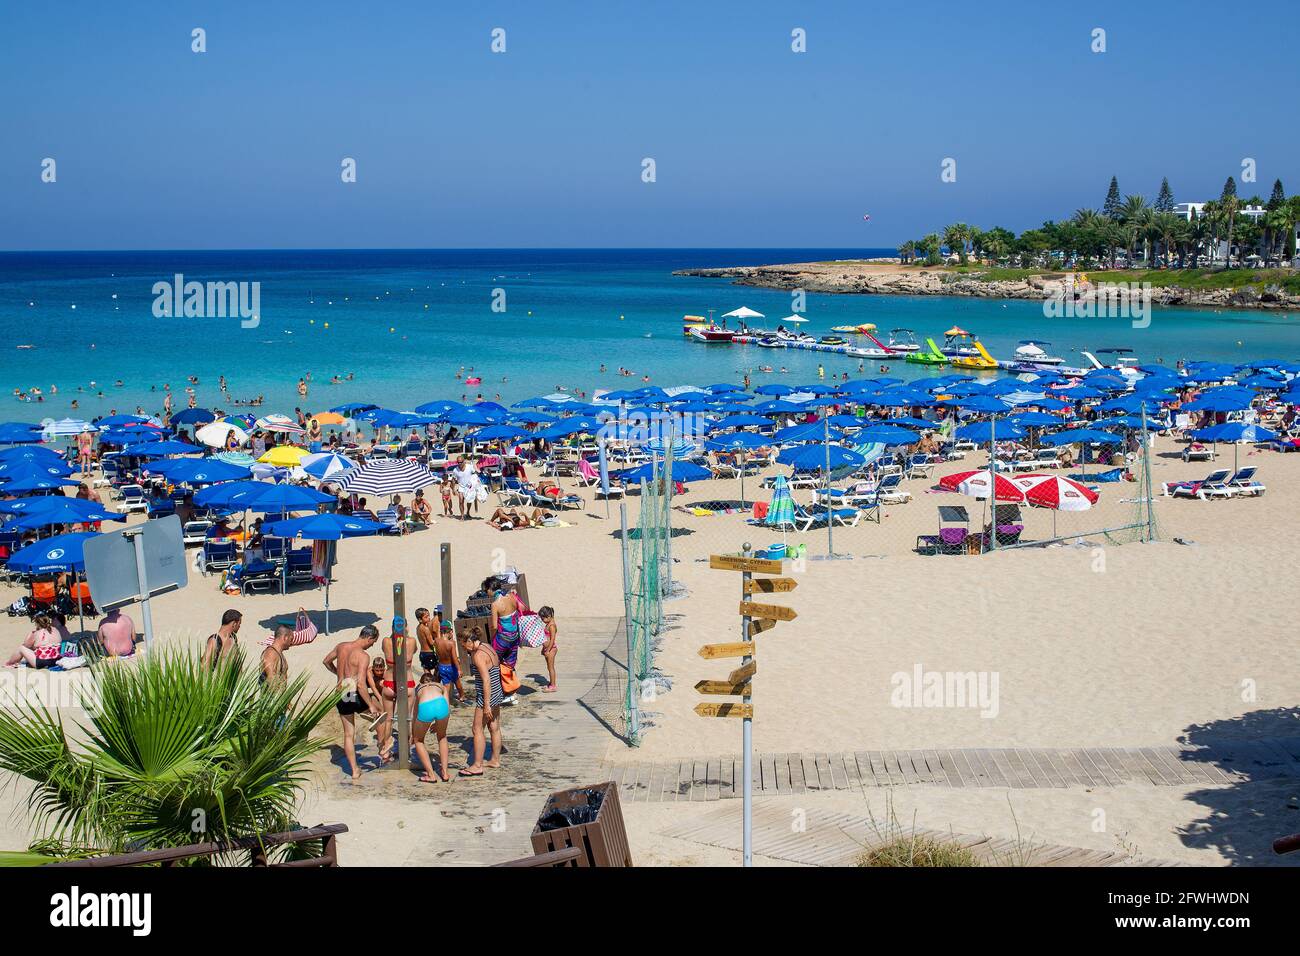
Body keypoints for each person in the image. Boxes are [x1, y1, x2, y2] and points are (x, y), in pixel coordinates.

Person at [323, 625, 382, 780]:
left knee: (349, 734)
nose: (372, 645)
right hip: (353, 692)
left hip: (340, 694)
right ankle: (384, 749)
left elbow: (326, 661)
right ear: (369, 638)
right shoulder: (362, 656)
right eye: (373, 642)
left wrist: (338, 673)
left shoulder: (341, 646)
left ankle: (355, 770)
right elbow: (361, 684)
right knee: (379, 715)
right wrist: (370, 704)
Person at [458, 627, 502, 777]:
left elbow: (486, 680)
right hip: (497, 691)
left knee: (477, 729)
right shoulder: (488, 646)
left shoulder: (478, 655)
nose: (464, 649)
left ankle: (477, 765)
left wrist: (486, 705)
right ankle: (495, 760)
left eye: (464, 645)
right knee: (494, 726)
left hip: (487, 696)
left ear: (469, 641)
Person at [378, 616, 417, 763]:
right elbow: (413, 651)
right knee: (406, 718)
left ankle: (385, 752)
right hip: (407, 682)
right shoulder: (411, 641)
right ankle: (406, 750)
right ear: (405, 627)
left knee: (388, 719)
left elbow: (387, 649)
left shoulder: (386, 642)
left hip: (389, 682)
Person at [411, 672, 451, 783]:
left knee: (418, 740)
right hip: (441, 706)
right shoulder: (441, 686)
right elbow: (447, 707)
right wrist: (438, 723)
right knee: (442, 737)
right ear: (434, 681)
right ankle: (445, 773)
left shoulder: (419, 689)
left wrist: (413, 732)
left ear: (421, 682)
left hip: (426, 707)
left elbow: (415, 713)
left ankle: (431, 775)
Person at [489, 580, 523, 705]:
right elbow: (521, 608)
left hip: (502, 639)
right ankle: (513, 693)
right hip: (515, 636)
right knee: (510, 665)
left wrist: (492, 640)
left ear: (491, 590)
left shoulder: (495, 604)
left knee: (495, 664)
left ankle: (503, 693)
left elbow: (494, 626)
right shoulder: (511, 597)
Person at [435, 619, 465, 702]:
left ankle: (445, 700)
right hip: (451, 667)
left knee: (446, 685)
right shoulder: (451, 643)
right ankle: (462, 696)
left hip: (442, 666)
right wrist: (459, 669)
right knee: (457, 682)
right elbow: (454, 658)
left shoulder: (437, 641)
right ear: (450, 631)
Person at [260, 623, 292, 690]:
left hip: (280, 697)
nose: (291, 642)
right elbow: (271, 678)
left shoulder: (278, 654)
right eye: (291, 639)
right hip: (271, 698)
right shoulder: (271, 653)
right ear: (285, 637)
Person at [537, 606, 559, 693]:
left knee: (551, 668)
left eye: (543, 619)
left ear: (549, 616)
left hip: (551, 649)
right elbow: (546, 638)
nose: (543, 620)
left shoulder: (552, 626)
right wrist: (544, 648)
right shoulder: (548, 624)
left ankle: (553, 686)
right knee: (549, 667)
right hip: (547, 648)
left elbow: (552, 639)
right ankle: (551, 683)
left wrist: (548, 650)